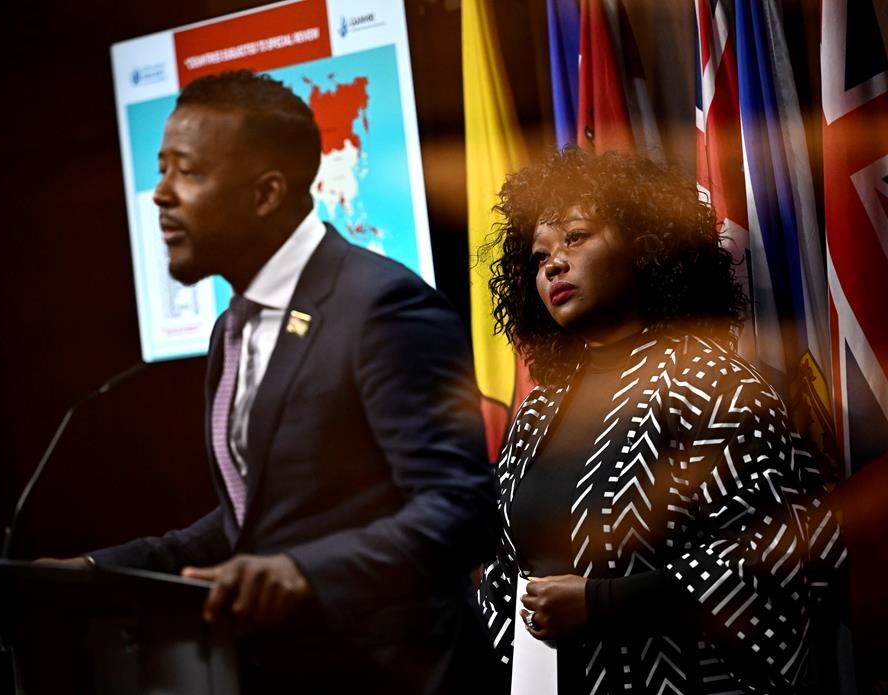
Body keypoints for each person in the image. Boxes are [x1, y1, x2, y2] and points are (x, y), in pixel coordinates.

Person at [81, 70, 499, 693]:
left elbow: (462, 512)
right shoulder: (232, 328)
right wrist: (92, 573)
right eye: (161, 169)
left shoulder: (382, 307)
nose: (160, 195)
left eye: (185, 171)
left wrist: (302, 571)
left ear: (267, 192)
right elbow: (248, 523)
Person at [477, 147, 845, 693]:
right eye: (538, 257)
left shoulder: (710, 383)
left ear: (645, 246)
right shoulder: (537, 410)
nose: (553, 263)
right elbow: (505, 565)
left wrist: (601, 604)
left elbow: (795, 549)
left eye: (576, 238)